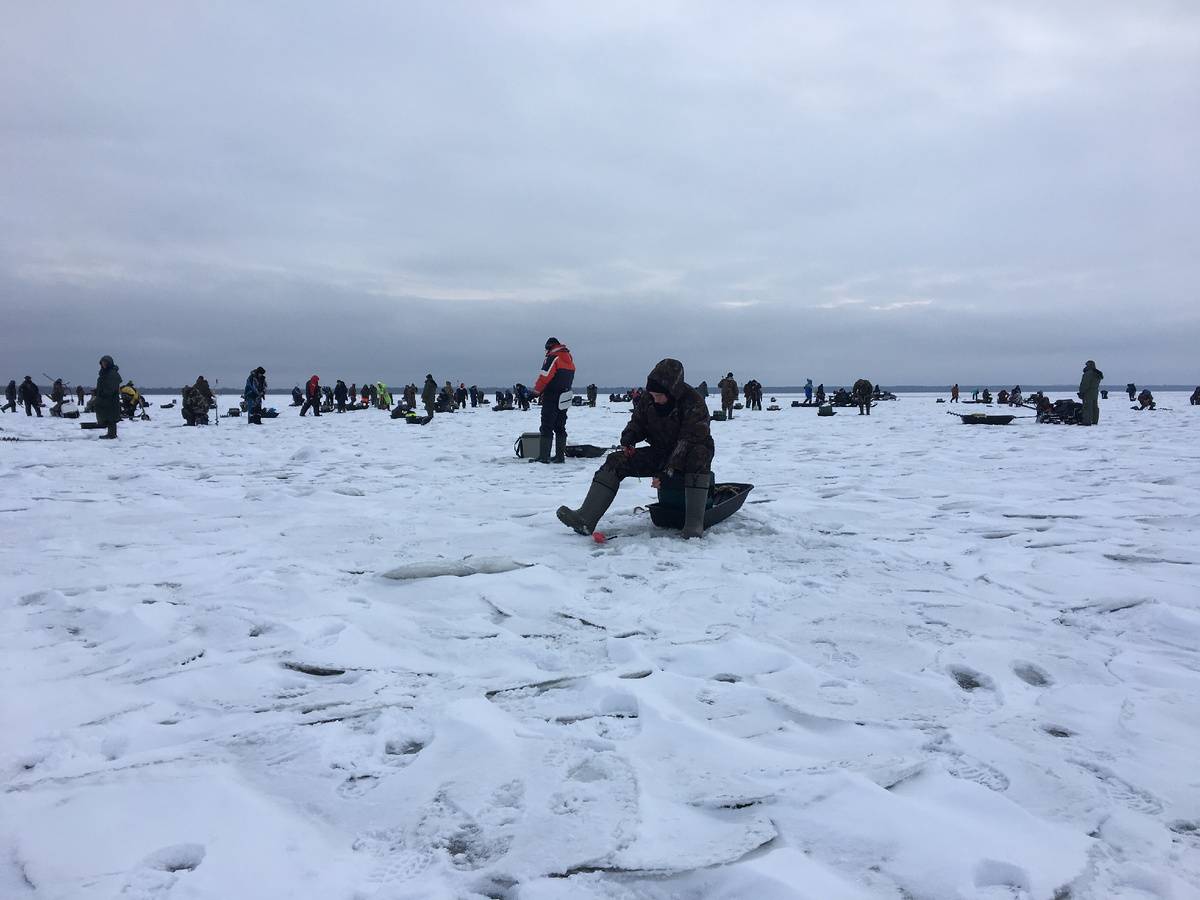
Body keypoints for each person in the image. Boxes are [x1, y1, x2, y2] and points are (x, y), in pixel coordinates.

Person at [557, 358, 714, 539]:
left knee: (699, 455)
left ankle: (694, 525)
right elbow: (638, 422)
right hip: (660, 452)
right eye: (652, 395)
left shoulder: (693, 401)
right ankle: (586, 518)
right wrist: (630, 436)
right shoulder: (648, 399)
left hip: (690, 454)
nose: (655, 400)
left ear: (672, 391)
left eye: (659, 396)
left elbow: (689, 440)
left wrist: (669, 471)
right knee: (615, 461)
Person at [530, 337, 575, 463]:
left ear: (549, 348)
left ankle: (544, 457)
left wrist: (534, 393)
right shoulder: (569, 360)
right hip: (564, 397)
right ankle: (560, 456)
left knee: (547, 426)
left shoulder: (553, 358)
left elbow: (544, 378)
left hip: (551, 397)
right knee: (560, 426)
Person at [94, 356, 122, 439]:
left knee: (111, 417)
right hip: (104, 399)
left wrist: (104, 393)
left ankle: (111, 434)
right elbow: (102, 386)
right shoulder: (104, 373)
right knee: (107, 416)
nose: (104, 364)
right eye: (103, 363)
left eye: (105, 363)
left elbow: (112, 387)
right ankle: (110, 433)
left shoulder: (112, 374)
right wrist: (96, 392)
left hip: (110, 399)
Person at [1079, 360, 1104, 426]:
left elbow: (1085, 383)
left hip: (1088, 392)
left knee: (1087, 407)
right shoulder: (1097, 373)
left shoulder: (1089, 373)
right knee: (1094, 406)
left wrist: (1082, 391)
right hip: (1095, 391)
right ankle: (1094, 421)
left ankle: (1087, 422)